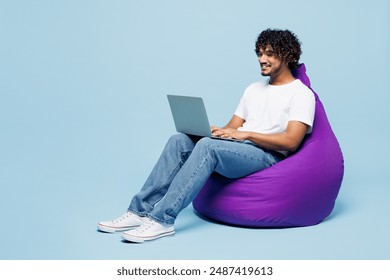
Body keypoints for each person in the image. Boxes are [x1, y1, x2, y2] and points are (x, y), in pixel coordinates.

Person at [97, 28, 315, 243]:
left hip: (268, 156)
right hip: (241, 149)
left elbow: (291, 141)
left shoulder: (301, 94)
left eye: (269, 53)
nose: (262, 59)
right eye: (259, 53)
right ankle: (139, 211)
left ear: (287, 54)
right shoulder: (253, 89)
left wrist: (245, 134)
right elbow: (232, 128)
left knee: (208, 147)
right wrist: (215, 131)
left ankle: (162, 220)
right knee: (180, 140)